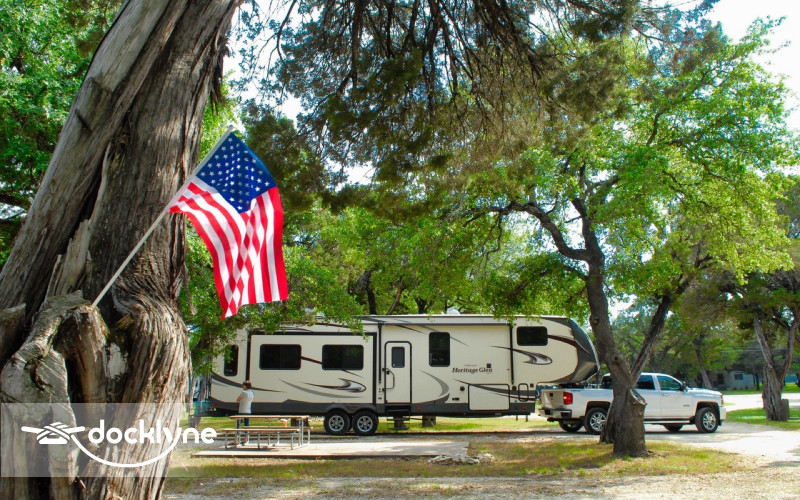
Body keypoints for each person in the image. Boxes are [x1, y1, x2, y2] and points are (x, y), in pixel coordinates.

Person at [235, 380, 254, 445]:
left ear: (246, 386)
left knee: (238, 425)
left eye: (243, 385)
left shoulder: (244, 392)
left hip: (242, 410)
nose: (242, 386)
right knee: (246, 425)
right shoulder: (252, 392)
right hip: (248, 410)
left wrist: (239, 402)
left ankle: (237, 439)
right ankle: (246, 439)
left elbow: (238, 399)